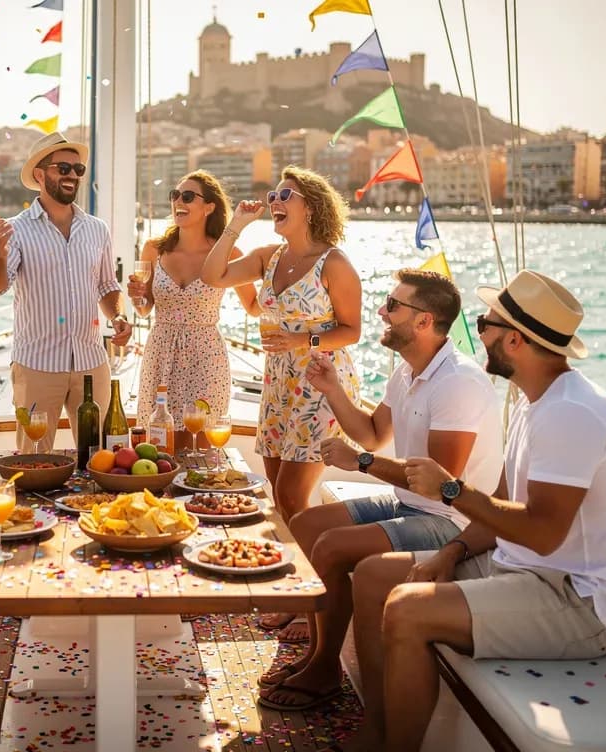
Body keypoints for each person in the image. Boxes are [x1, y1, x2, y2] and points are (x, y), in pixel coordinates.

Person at [349, 270, 606, 751]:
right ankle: (377, 725)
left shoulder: (571, 413)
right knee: (371, 577)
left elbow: (544, 534)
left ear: (512, 339)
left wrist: (450, 491)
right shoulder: (533, 402)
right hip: (523, 568)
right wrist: (454, 551)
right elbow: (506, 505)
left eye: (486, 323)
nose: (478, 333)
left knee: (406, 611)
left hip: (581, 602)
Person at [256, 268, 502, 706]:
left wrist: (363, 464)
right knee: (310, 525)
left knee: (330, 547)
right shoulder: (408, 371)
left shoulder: (457, 383)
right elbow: (371, 433)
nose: (381, 312)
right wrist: (332, 389)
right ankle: (318, 655)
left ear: (425, 321)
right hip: (409, 502)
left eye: (393, 306)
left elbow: (438, 486)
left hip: (453, 521)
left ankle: (325, 670)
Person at [201, 166, 363, 632]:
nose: (274, 200)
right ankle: (300, 592)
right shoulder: (268, 256)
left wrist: (302, 344)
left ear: (309, 205)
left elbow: (352, 330)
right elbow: (213, 276)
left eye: (284, 194)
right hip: (277, 390)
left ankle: (315, 598)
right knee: (280, 494)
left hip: (319, 384)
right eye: (273, 193)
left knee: (294, 493)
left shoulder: (334, 263)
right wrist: (237, 225)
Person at [0, 131, 133, 451]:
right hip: (37, 365)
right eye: (63, 168)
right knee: (33, 460)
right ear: (40, 174)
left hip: (91, 362)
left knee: (102, 457)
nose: (72, 176)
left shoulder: (97, 229)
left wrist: (118, 316)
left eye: (78, 170)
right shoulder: (16, 229)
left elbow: (107, 285)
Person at [126, 170, 259, 445]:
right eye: (175, 195)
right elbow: (144, 309)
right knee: (159, 442)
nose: (178, 202)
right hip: (161, 351)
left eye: (188, 197)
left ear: (209, 207)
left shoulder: (228, 253)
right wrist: (137, 297)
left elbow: (255, 306)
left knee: (201, 442)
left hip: (205, 354)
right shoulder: (154, 249)